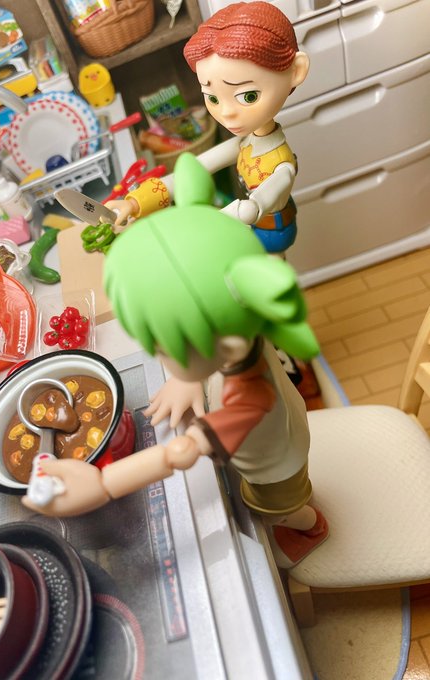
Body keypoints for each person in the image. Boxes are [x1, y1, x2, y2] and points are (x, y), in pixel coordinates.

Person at [23, 155, 328, 567]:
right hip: (271, 431)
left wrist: (104, 483)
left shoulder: (250, 398)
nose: (159, 355)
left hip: (275, 464)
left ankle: (310, 526)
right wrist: (189, 376)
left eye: (166, 348)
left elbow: (181, 452)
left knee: (278, 506)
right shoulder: (237, 303)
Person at [106, 1, 309, 254]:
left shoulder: (281, 164)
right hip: (250, 225)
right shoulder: (244, 143)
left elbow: (253, 207)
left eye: (248, 96)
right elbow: (193, 170)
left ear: (296, 71)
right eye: (213, 98)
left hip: (274, 232)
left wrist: (198, 226)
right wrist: (136, 202)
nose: (227, 112)